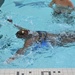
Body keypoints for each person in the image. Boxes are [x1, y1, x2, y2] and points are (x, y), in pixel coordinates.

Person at [6, 19, 75, 63]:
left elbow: (22, 50)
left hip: (56, 42)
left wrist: (12, 58)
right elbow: (20, 28)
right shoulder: (28, 31)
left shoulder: (28, 41)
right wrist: (12, 23)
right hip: (59, 35)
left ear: (23, 37)